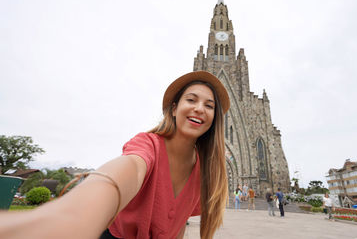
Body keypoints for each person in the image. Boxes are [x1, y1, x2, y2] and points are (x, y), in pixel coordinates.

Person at [0, 70, 230, 239]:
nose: (199, 108)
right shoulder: (148, 144)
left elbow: (178, 224)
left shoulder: (205, 171)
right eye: (191, 100)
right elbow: (128, 169)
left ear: (214, 119)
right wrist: (72, 216)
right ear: (173, 108)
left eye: (209, 105)